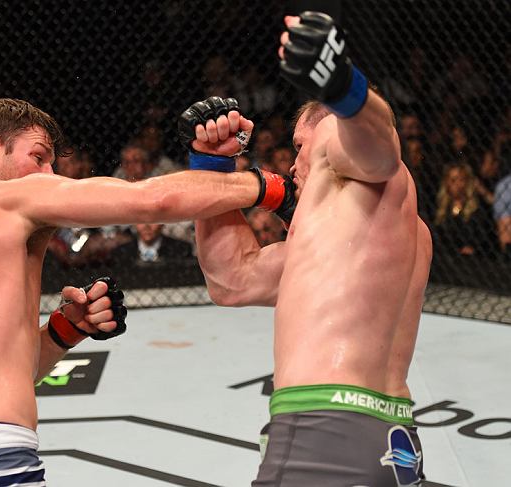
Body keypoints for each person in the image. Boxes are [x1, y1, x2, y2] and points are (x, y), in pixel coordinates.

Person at [0, 97, 287, 486]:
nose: (48, 177)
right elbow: (153, 201)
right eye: (37, 157)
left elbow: (1, 373)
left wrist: (64, 331)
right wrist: (272, 189)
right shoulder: (5, 199)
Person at [182, 12, 432, 486]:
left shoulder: (342, 140)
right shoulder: (380, 232)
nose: (292, 162)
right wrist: (212, 167)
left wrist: (341, 88)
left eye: (297, 145)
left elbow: (379, 148)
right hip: (391, 437)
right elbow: (232, 280)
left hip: (323, 422)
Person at [109, 223, 193, 266]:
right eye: (141, 221)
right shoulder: (121, 252)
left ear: (162, 223)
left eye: (152, 221)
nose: (146, 226)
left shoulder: (180, 249)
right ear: (134, 224)